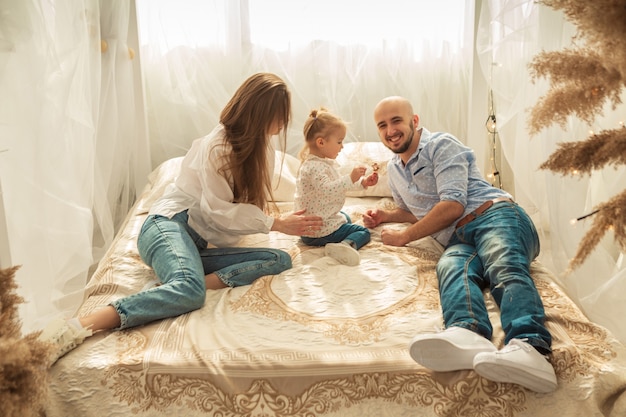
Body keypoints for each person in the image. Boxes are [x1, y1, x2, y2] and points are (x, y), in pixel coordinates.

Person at [39, 73, 324, 364]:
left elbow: (252, 205)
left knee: (279, 259)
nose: (281, 126)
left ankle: (174, 285)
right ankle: (77, 326)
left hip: (196, 245)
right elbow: (218, 211)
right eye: (279, 117)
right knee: (191, 292)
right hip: (168, 226)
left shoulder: (261, 148)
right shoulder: (217, 147)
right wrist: (275, 223)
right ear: (260, 114)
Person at [363, 96, 557, 393]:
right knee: (451, 267)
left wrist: (405, 236)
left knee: (502, 263)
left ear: (414, 121)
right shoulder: (394, 170)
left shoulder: (441, 145)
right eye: (382, 125)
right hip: (458, 238)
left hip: (494, 215)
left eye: (397, 121)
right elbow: (417, 210)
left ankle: (532, 347)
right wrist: (386, 216)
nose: (391, 130)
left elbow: (452, 205)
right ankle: (468, 332)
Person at [294, 108, 378, 266]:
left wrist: (363, 182)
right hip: (317, 231)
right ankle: (344, 246)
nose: (342, 146)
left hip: (310, 227)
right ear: (321, 142)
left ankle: (337, 238)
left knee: (344, 217)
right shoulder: (314, 167)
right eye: (339, 142)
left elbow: (338, 185)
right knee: (363, 232)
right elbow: (329, 189)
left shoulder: (319, 163)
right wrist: (351, 177)